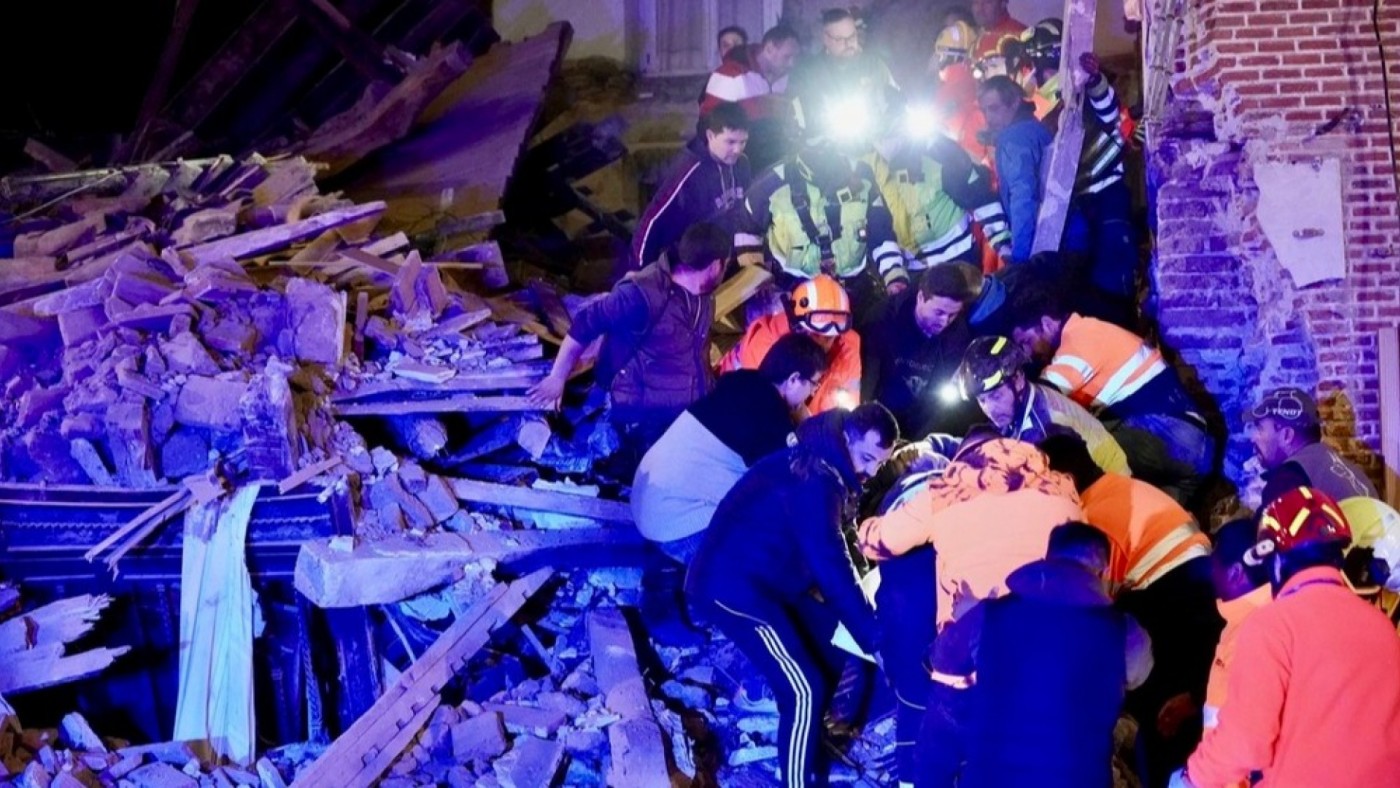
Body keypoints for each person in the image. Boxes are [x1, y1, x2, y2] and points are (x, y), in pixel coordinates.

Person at [687, 404, 899, 788]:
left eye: (879, 465)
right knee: (803, 688)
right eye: (867, 458)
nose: (870, 472)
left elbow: (844, 545)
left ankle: (813, 742)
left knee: (837, 644)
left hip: (767, 583)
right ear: (847, 437)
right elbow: (830, 563)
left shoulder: (829, 467)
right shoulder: (816, 480)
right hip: (731, 587)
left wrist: (869, 613)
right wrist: (876, 640)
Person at [1173, 487, 1400, 787]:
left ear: (1274, 560)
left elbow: (1245, 742)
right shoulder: (1380, 626)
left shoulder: (1272, 626)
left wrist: (1191, 778)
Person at [1039, 431, 1222, 785]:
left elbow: (1091, 601)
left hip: (1172, 604)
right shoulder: (1124, 486)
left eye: (1046, 483)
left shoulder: (1093, 517)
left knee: (1162, 720)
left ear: (1066, 479)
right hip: (1200, 589)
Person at [919, 522, 1153, 787]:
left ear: (1047, 558)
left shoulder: (989, 616)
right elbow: (1139, 674)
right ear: (1105, 571)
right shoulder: (1124, 632)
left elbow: (940, 658)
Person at [528, 222, 728, 468]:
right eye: (725, 265)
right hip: (640, 418)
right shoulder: (641, 296)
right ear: (716, 265)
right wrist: (557, 377)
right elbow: (586, 323)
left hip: (682, 414)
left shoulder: (704, 299)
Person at [1009, 286, 1214, 505]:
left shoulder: (1078, 342)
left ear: (1047, 324)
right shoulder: (1089, 329)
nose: (1028, 354)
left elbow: (1038, 397)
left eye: (1026, 342)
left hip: (1173, 436)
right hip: (1186, 442)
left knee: (1076, 448)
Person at [857, 437, 1084, 629]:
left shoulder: (945, 491)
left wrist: (865, 528)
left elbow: (877, 541)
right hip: (1053, 612)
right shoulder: (1063, 493)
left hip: (981, 624)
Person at [1018, 21, 1138, 326]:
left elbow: (1111, 115)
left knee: (1113, 268)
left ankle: (1118, 329)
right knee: (1084, 276)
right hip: (1070, 200)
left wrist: (1095, 79)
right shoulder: (1035, 99)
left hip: (1106, 190)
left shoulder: (1082, 84)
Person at [741, 136, 906, 312]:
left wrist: (894, 275)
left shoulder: (862, 175)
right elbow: (746, 230)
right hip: (793, 293)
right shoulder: (771, 183)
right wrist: (757, 277)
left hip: (852, 291)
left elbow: (881, 233)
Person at [958, 335, 1131, 475]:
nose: (989, 409)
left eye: (996, 396)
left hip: (1110, 482)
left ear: (1018, 380)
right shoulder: (1023, 402)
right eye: (982, 400)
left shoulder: (1044, 426)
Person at [861, 263, 987, 439]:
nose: (944, 322)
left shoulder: (958, 337)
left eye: (952, 315)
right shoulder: (882, 319)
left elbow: (944, 408)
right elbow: (867, 381)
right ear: (921, 297)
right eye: (939, 312)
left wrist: (921, 441)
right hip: (877, 416)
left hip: (921, 423)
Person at [633, 102, 751, 268]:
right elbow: (652, 221)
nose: (738, 150)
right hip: (690, 262)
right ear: (710, 136)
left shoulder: (742, 164)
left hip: (725, 258)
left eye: (743, 142)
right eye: (730, 142)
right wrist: (639, 270)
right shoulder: (688, 170)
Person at [720, 274, 861, 414]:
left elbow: (847, 410)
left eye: (829, 338)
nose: (822, 344)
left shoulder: (848, 346)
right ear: (797, 327)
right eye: (816, 334)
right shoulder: (766, 346)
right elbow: (758, 410)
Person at [1247, 386, 1378, 511]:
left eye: (1260, 429)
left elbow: (1264, 532)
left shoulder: (1289, 478)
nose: (1254, 437)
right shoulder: (1351, 470)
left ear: (1286, 435)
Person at [1201, 519, 1272, 737]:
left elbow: (1246, 737)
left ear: (1235, 573)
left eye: (1214, 566)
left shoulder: (1253, 635)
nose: (1210, 574)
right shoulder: (1248, 618)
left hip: (1226, 768)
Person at [701, 25, 802, 170]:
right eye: (786, 57)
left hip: (776, 164)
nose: (792, 63)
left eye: (795, 57)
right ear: (769, 49)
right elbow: (709, 127)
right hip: (738, 166)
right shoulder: (730, 75)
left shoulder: (788, 78)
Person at [977, 75, 1052, 264]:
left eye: (994, 109)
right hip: (1059, 234)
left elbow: (1023, 197)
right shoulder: (1034, 126)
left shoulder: (1013, 138)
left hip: (1041, 243)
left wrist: (1020, 257)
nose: (988, 118)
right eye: (984, 110)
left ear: (1014, 103)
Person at [969, 0, 1027, 77]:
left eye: (987, 2)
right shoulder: (971, 35)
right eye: (975, 2)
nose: (980, 9)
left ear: (1003, 3)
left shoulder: (1018, 34)